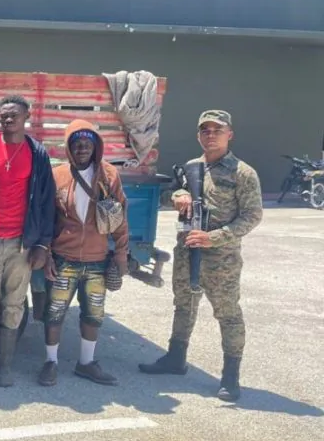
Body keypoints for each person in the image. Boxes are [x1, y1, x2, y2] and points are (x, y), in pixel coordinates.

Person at [139, 110, 262, 402]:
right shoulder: (191, 168)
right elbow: (166, 195)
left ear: (230, 134)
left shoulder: (243, 173)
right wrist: (177, 196)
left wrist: (214, 237)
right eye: (205, 130)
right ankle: (176, 358)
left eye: (217, 130)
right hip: (187, 252)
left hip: (222, 259)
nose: (211, 135)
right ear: (198, 135)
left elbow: (252, 215)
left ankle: (230, 376)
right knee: (183, 306)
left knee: (228, 314)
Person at [0, 95, 55, 387]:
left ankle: (4, 367)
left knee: (14, 304)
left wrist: (42, 244)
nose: (8, 119)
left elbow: (46, 202)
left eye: (14, 115)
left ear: (26, 116)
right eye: (4, 115)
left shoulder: (37, 154)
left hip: (22, 243)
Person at [40, 120, 129, 387]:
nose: (82, 149)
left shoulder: (109, 175)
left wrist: (121, 254)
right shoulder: (57, 176)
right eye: (76, 144)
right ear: (68, 147)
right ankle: (51, 362)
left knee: (93, 314)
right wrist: (47, 254)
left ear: (95, 146)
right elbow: (46, 218)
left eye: (87, 144)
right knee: (54, 312)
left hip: (97, 260)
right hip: (63, 258)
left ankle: (86, 363)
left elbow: (120, 216)